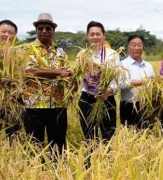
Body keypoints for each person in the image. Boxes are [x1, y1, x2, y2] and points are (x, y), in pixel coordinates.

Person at [21, 13, 72, 154]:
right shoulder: (27, 49)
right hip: (33, 104)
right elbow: (30, 71)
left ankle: (57, 172)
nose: (44, 31)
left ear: (53, 31)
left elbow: (67, 73)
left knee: (58, 144)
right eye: (41, 28)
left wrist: (70, 79)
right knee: (34, 144)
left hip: (57, 104)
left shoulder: (61, 52)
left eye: (48, 28)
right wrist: (58, 73)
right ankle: (35, 173)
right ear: (37, 30)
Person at [75, 21, 120, 141]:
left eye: (98, 34)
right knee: (89, 136)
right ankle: (92, 158)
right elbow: (78, 76)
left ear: (104, 36)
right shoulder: (82, 54)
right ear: (87, 36)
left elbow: (119, 79)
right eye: (92, 34)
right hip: (87, 99)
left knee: (109, 135)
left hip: (107, 99)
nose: (95, 37)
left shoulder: (113, 55)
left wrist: (109, 90)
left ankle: (108, 159)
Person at [120, 35, 155, 129]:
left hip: (146, 106)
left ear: (143, 47)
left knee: (147, 135)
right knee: (129, 137)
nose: (136, 48)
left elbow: (153, 85)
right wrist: (143, 81)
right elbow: (122, 84)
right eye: (133, 45)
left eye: (139, 45)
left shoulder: (148, 66)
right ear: (128, 47)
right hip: (128, 106)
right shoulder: (122, 65)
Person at [0, 20, 22, 141]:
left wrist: (18, 88)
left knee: (13, 133)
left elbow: (24, 74)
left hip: (14, 99)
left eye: (10, 32)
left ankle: (13, 156)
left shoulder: (19, 53)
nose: (6, 35)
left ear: (15, 35)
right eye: (3, 31)